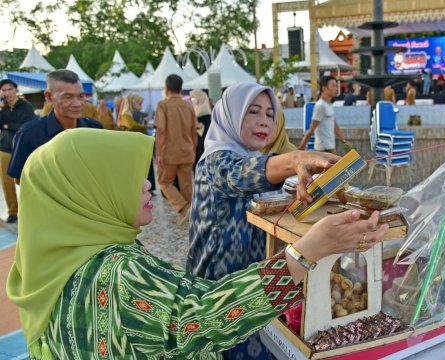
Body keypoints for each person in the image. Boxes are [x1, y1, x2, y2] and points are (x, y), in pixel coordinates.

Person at [7, 128, 389, 359]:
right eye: (124, 178)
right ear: (86, 192)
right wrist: (307, 251)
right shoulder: (117, 272)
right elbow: (199, 319)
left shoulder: (53, 265)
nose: (147, 186)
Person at [187, 82, 367, 359]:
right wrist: (296, 158)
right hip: (220, 294)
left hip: (259, 289)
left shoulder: (255, 158)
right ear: (230, 116)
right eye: (253, 112)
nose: (264, 121)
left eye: (270, 114)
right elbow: (239, 175)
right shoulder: (214, 162)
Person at [8, 69, 102, 184]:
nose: (77, 104)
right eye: (68, 97)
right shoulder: (28, 134)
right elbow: (19, 179)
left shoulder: (95, 130)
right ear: (49, 96)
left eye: (81, 96)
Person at [155, 74, 197, 220]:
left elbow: (161, 131)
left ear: (166, 88)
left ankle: (183, 207)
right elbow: (194, 132)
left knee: (164, 182)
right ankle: (192, 212)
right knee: (186, 185)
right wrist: (193, 149)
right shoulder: (189, 106)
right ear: (181, 88)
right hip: (187, 150)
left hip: (169, 152)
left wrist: (158, 153)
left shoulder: (163, 105)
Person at [0, 79, 35, 223]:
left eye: (9, 89)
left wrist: (8, 126)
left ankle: (31, 210)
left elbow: (27, 125)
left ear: (16, 89)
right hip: (5, 148)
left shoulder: (26, 106)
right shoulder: (3, 108)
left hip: (22, 147)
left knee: (26, 180)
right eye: (4, 90)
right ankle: (12, 212)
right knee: (7, 183)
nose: (7, 92)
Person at [299, 76, 352, 153]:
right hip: (323, 149)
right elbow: (312, 129)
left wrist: (344, 141)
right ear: (324, 88)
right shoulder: (320, 106)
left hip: (330, 147)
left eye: (336, 86)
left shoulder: (329, 105)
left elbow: (335, 126)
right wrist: (301, 147)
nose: (336, 88)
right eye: (333, 86)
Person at [190, 89, 212, 168]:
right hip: (196, 139)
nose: (192, 99)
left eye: (194, 97)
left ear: (200, 97)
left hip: (202, 139)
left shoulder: (204, 112)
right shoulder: (195, 109)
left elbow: (203, 126)